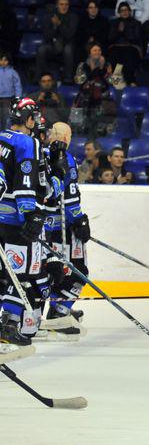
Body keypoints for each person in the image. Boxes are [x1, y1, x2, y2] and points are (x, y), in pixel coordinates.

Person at [0, 98, 46, 345]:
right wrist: (31, 214)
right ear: (28, 119)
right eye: (34, 117)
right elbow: (25, 179)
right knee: (20, 274)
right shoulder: (27, 142)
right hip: (15, 221)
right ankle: (8, 325)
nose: (36, 122)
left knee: (2, 275)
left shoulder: (1, 138)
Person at [43, 122, 91, 331]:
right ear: (65, 138)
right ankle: (59, 312)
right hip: (63, 227)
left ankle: (45, 312)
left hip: (43, 228)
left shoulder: (40, 154)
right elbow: (69, 200)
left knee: (50, 271)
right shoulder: (67, 159)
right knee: (78, 272)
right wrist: (80, 221)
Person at [36, 0, 78, 84]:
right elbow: (47, 35)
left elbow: (69, 35)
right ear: (57, 5)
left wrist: (59, 24)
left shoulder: (73, 17)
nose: (64, 7)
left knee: (68, 50)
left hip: (67, 43)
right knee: (41, 49)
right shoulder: (50, 17)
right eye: (61, 4)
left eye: (66, 4)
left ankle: (68, 78)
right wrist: (55, 27)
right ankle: (42, 77)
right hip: (52, 44)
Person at [107, 2, 144, 86]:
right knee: (115, 55)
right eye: (122, 10)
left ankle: (131, 81)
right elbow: (110, 38)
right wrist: (118, 32)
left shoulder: (136, 23)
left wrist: (125, 31)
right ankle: (116, 80)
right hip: (116, 46)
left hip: (131, 46)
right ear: (119, 13)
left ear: (130, 11)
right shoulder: (114, 23)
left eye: (126, 10)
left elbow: (136, 38)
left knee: (129, 56)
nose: (124, 12)